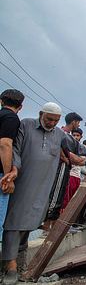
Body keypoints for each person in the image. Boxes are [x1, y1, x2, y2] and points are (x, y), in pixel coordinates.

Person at [0, 102, 86, 283]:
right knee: (14, 221)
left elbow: (75, 146)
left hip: (43, 185)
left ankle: (20, 264)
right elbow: (15, 149)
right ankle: (10, 267)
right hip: (23, 181)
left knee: (30, 222)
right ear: (41, 114)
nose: (52, 123)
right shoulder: (26, 124)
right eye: (49, 119)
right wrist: (15, 168)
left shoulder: (58, 134)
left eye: (56, 121)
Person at [42, 112, 85, 235]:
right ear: (73, 122)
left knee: (61, 197)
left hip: (65, 166)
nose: (78, 125)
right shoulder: (63, 132)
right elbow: (57, 145)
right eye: (78, 122)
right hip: (61, 165)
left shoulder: (65, 134)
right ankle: (47, 227)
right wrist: (64, 157)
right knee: (55, 196)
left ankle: (55, 226)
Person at [0, 89, 24, 240]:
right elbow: (5, 144)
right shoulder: (11, 118)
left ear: (2, 101)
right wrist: (8, 174)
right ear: (20, 107)